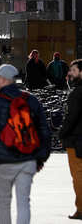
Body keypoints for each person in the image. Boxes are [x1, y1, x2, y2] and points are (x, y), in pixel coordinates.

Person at [0, 64, 51, 224]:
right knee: (24, 202)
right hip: (28, 159)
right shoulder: (30, 99)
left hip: (3, 160)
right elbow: (44, 130)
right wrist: (41, 158)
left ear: (4, 80)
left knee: (4, 201)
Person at [62, 59, 82, 220]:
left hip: (76, 141)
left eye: (74, 71)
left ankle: (81, 209)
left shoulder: (77, 93)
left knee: (78, 176)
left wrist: (62, 133)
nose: (70, 73)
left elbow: (71, 117)